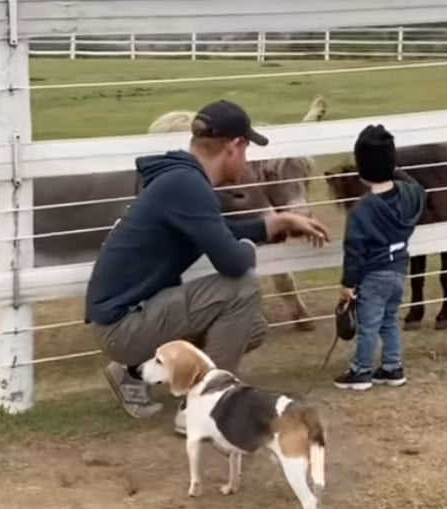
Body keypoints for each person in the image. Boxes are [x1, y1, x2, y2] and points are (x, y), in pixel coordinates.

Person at [85, 99, 330, 433]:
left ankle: (132, 370)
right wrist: (247, 246)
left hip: (128, 316)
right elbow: (231, 260)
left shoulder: (182, 180)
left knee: (253, 327)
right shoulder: (188, 186)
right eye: (246, 152)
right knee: (241, 286)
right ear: (235, 146)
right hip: (122, 325)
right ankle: (203, 408)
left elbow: (219, 233)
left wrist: (275, 223)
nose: (246, 161)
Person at [333, 124, 425, 391]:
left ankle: (361, 371)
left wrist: (348, 284)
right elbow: (414, 185)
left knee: (368, 325)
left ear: (361, 169)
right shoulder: (411, 195)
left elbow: (354, 250)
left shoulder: (362, 210)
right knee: (389, 320)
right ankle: (392, 367)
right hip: (398, 271)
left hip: (373, 275)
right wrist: (392, 167)